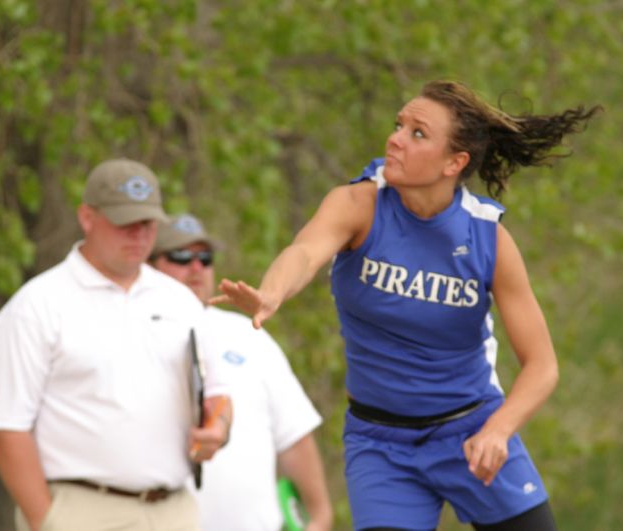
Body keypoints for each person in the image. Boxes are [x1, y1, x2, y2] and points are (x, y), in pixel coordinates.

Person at [212, 80, 601, 530]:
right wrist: (273, 292)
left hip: (470, 428)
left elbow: (542, 365)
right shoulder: (359, 205)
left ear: (454, 163)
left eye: (418, 133)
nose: (395, 138)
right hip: (381, 445)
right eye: (399, 125)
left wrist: (498, 430)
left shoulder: (487, 239)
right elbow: (304, 252)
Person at [0, 158, 233, 531]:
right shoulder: (36, 306)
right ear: (87, 217)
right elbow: (7, 426)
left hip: (174, 508)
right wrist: (46, 519)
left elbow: (218, 392)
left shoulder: (179, 301)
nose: (138, 235)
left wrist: (219, 427)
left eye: (146, 224)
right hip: (82, 509)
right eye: (124, 223)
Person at [150, 213, 334, 531]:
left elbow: (294, 435)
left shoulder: (249, 333)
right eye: (181, 256)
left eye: (204, 258)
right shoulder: (132, 333)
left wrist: (319, 517)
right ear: (149, 265)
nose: (196, 268)